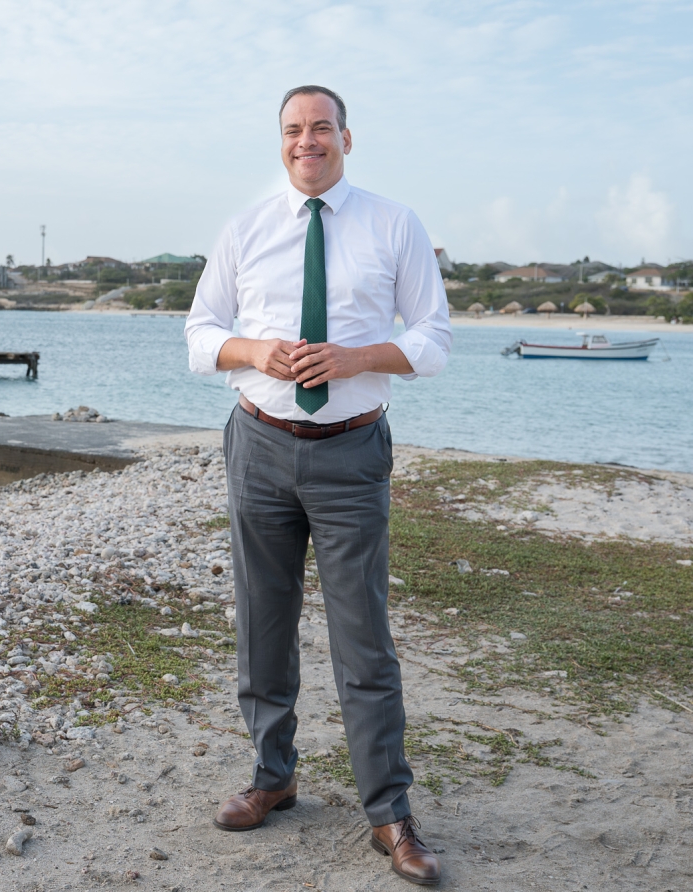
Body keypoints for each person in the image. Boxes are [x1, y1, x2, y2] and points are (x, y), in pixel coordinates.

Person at [184, 85, 451, 886]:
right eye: (295, 131)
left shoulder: (394, 223)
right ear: (281, 144)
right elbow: (199, 336)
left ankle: (389, 814)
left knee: (362, 638)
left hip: (350, 453)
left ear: (346, 137)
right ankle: (274, 778)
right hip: (258, 445)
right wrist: (255, 352)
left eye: (322, 128)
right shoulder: (246, 228)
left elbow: (433, 339)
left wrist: (357, 357)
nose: (309, 141)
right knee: (262, 624)